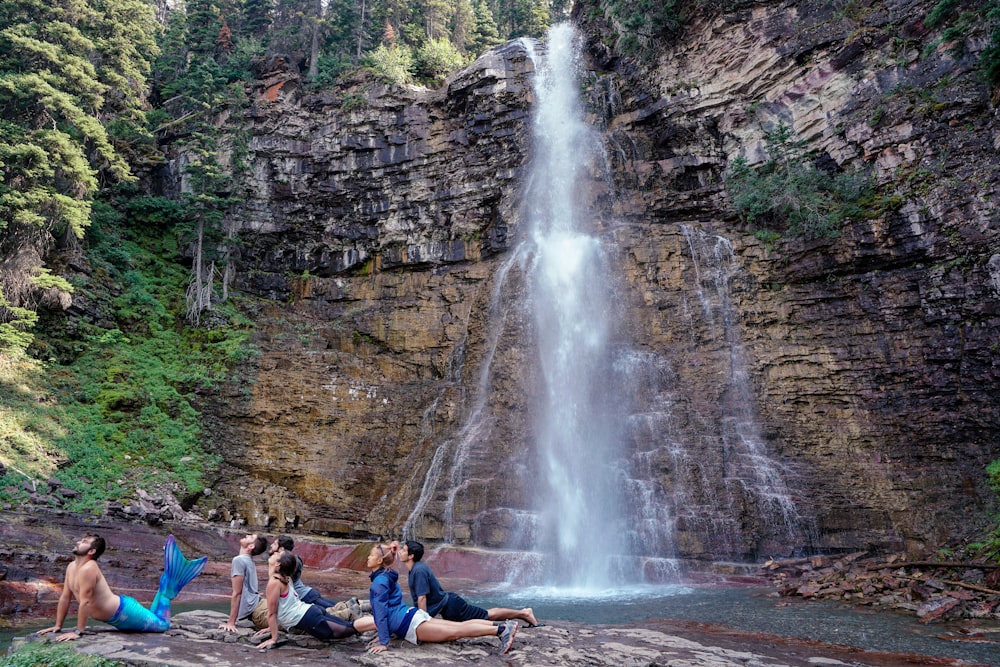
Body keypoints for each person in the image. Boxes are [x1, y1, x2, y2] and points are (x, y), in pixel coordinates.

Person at [38, 533, 206, 640]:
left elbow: (85, 602)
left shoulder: (89, 568)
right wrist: (58, 626)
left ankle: (169, 583)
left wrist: (77, 632)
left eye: (83, 542)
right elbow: (65, 597)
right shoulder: (71, 567)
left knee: (163, 626)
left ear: (91, 552)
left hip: (124, 612)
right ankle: (167, 579)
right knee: (155, 617)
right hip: (120, 614)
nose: (78, 542)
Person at [363, 543, 517, 655]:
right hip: (410, 615)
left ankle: (501, 630)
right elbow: (386, 610)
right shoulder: (386, 575)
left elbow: (381, 613)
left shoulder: (379, 583)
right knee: (457, 627)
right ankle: (500, 625)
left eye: (371, 555)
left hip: (409, 624)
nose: (368, 557)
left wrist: (383, 641)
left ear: (378, 561)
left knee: (457, 631)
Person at [400, 540, 538, 627]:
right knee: (485, 616)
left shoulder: (418, 571)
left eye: (404, 550)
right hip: (449, 606)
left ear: (411, 555)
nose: (400, 552)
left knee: (487, 615)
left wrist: (422, 623)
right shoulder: (416, 569)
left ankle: (524, 613)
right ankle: (521, 614)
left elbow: (422, 598)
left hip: (452, 606)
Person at [256, 551, 361, 650]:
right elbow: (282, 607)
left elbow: (272, 613)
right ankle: (367, 619)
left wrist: (274, 638)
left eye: (278, 554)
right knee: (348, 627)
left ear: (278, 564)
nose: (274, 553)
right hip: (309, 611)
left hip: (307, 616)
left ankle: (374, 624)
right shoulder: (285, 578)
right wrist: (271, 628)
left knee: (347, 630)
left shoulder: (275, 582)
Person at [218, 532, 269, 632]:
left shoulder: (239, 560)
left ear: (251, 546)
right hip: (261, 605)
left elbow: (237, 593)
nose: (248, 535)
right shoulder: (248, 560)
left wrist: (231, 622)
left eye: (251, 537)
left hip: (258, 611)